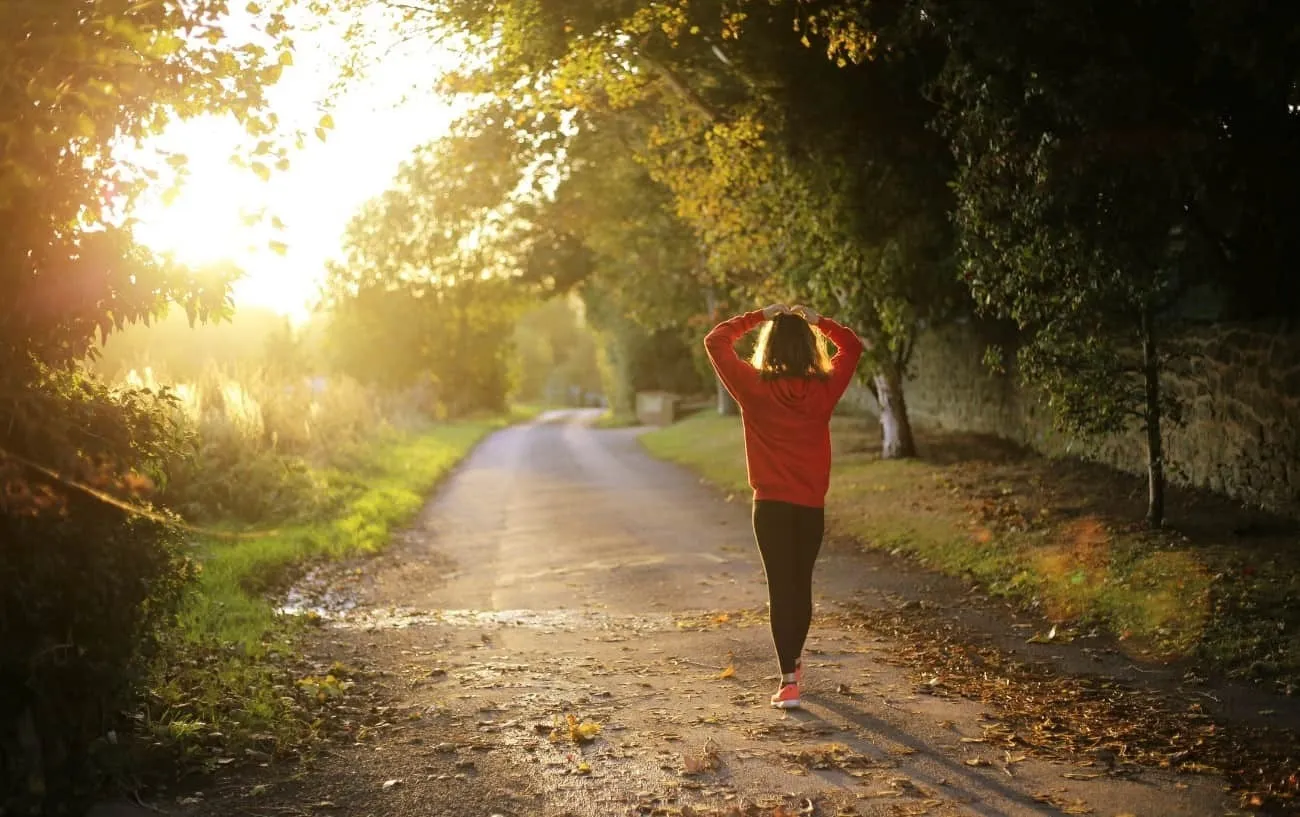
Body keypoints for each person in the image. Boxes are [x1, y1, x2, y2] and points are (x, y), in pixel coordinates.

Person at [704, 303, 864, 709]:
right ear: (810, 348)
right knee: (801, 585)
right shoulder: (824, 389)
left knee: (781, 588)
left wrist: (759, 315)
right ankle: (793, 664)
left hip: (771, 507)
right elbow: (853, 346)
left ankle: (789, 680)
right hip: (810, 506)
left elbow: (716, 340)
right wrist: (819, 321)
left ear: (769, 346)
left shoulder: (753, 387)